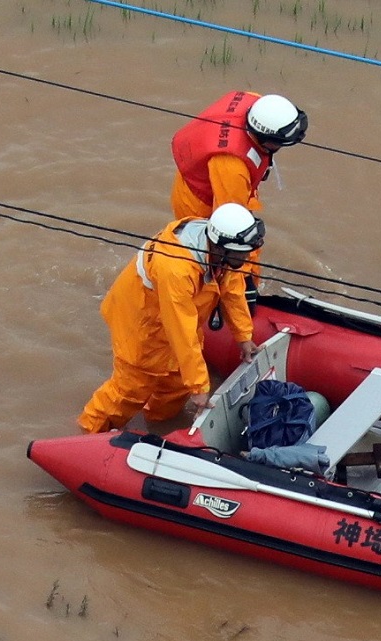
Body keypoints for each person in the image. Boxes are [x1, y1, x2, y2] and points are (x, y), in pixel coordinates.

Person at [77, 204, 264, 434]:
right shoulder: (176, 268)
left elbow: (232, 289)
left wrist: (244, 336)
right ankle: (88, 432)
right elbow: (181, 328)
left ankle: (157, 423)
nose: (246, 258)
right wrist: (199, 387)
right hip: (142, 322)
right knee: (130, 389)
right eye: (241, 253)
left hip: (173, 316)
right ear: (222, 248)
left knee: (175, 384)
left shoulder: (222, 253)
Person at [170, 92, 308, 291]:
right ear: (265, 138)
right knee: (216, 255)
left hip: (209, 181)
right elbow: (233, 230)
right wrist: (247, 283)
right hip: (200, 202)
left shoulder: (257, 104)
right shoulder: (232, 168)